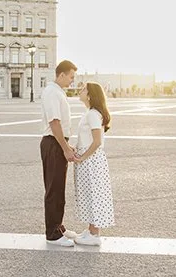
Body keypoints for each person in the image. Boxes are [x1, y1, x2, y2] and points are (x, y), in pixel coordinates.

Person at [40, 60, 82, 247]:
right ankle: (52, 234)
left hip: (57, 143)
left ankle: (58, 226)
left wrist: (66, 144)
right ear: (62, 74)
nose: (72, 81)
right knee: (54, 190)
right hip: (53, 144)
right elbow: (54, 122)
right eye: (71, 76)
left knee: (59, 188)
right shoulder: (51, 92)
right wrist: (65, 148)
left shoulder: (57, 92)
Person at [70, 81, 116, 246]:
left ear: (90, 95)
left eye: (83, 89)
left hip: (91, 160)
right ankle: (91, 229)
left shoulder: (92, 114)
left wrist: (82, 157)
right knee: (89, 193)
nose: (80, 91)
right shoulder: (90, 112)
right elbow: (87, 139)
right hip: (88, 158)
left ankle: (95, 234)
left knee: (94, 193)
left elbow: (97, 142)